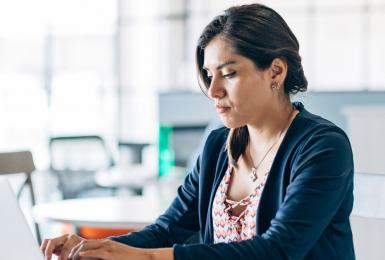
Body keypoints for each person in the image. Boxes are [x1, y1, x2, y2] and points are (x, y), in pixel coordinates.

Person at [41, 3, 355, 260]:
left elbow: (277, 251)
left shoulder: (323, 147)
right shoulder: (218, 145)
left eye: (229, 74)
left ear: (275, 70)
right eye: (208, 75)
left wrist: (144, 258)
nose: (213, 90)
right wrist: (93, 247)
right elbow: (168, 229)